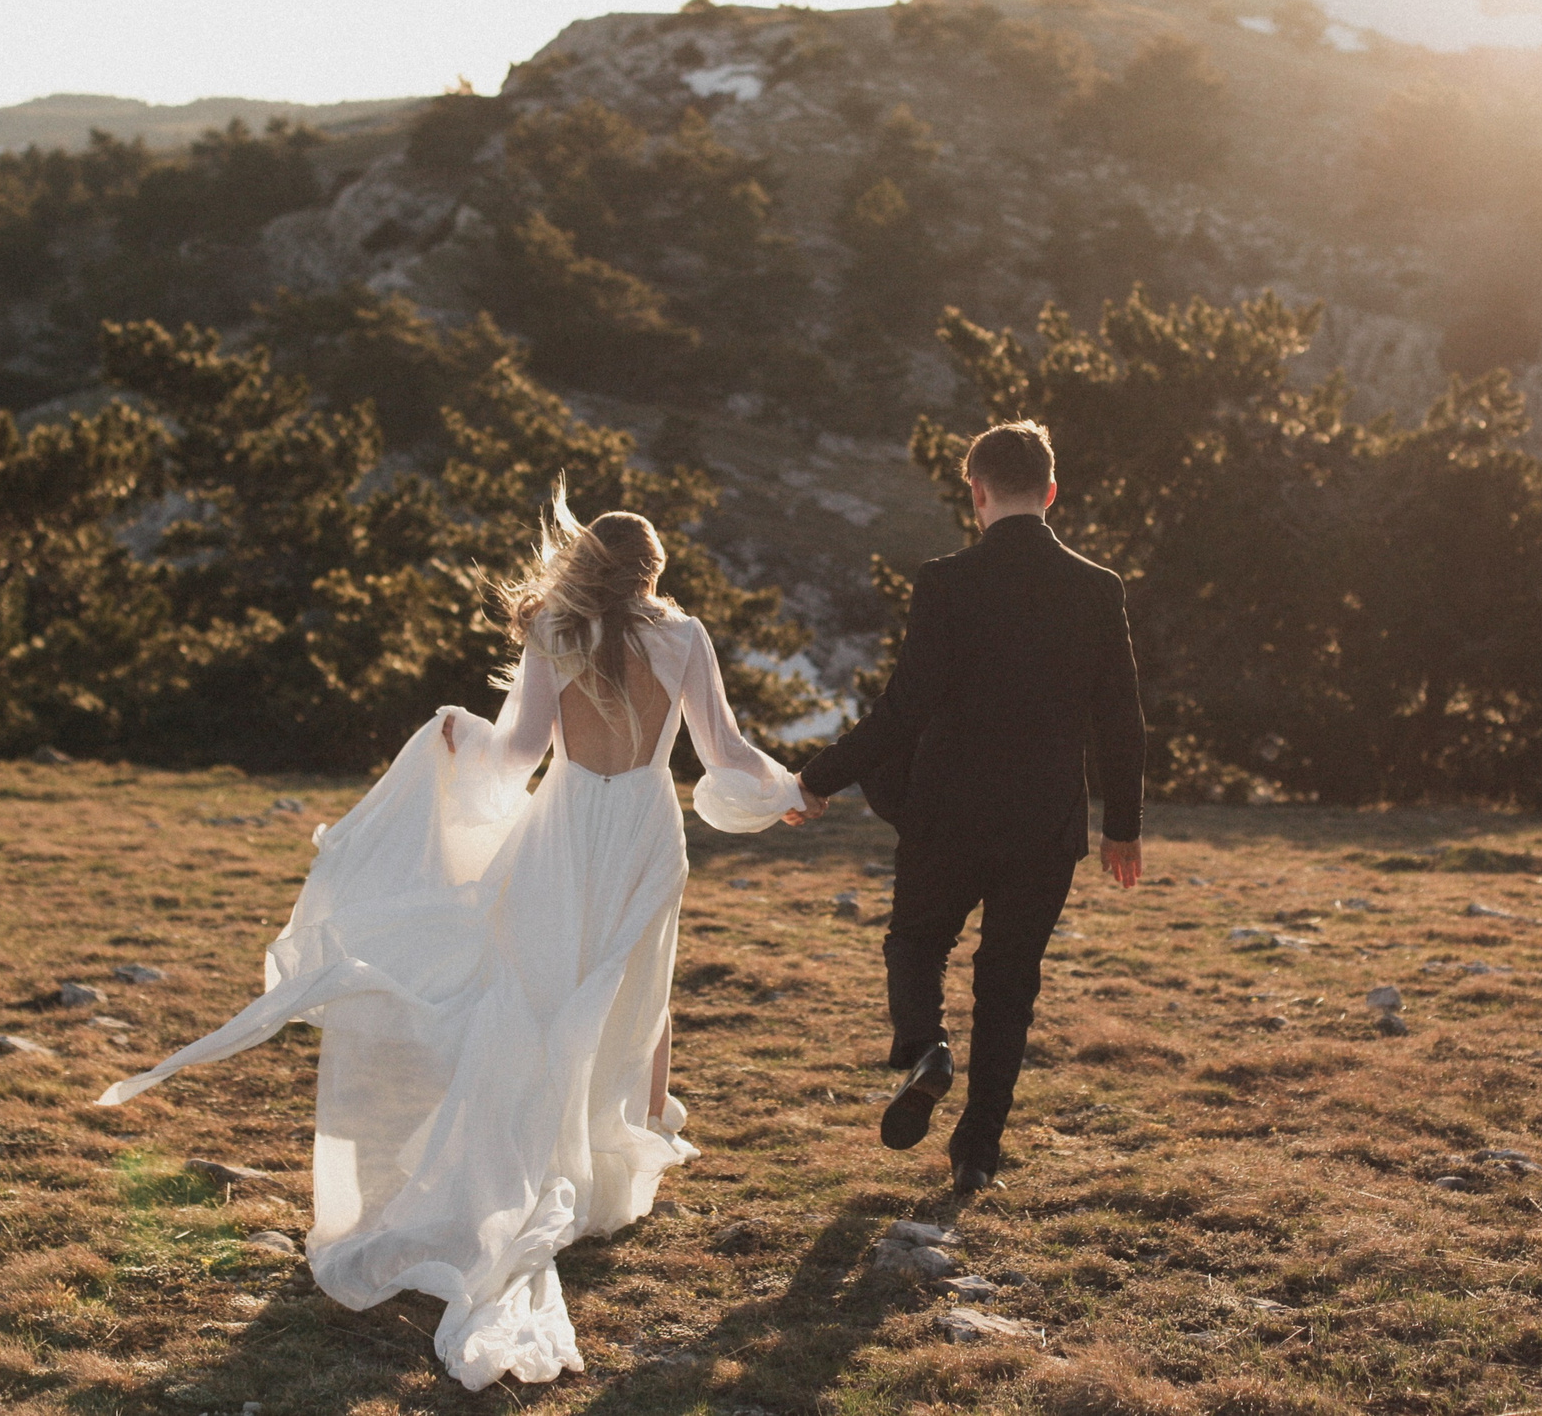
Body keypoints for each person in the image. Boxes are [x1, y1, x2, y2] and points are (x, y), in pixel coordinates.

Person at [96, 489, 806, 1391]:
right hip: (642, 830)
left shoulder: (554, 626)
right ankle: (626, 1141)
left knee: (544, 991)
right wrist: (792, 791)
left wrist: (457, 737)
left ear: (586, 564)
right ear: (655, 576)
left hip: (568, 824)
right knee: (636, 984)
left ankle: (567, 1150)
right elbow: (728, 749)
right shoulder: (687, 637)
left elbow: (518, 756)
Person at [796, 420, 1145, 1194]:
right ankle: (977, 1154)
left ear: (975, 493)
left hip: (948, 812)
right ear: (1051, 492)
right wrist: (1122, 824)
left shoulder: (946, 580)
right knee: (1009, 984)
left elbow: (904, 708)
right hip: (1045, 821)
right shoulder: (1098, 588)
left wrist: (820, 775)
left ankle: (926, 1046)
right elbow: (1122, 717)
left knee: (918, 941)